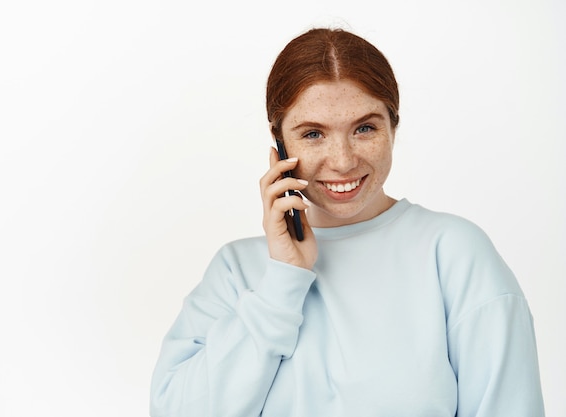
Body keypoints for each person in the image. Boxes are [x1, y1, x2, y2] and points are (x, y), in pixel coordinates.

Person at [150, 28, 544, 417]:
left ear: (393, 127)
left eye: (364, 128)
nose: (342, 160)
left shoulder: (454, 253)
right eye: (313, 134)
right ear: (279, 143)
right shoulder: (236, 271)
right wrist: (282, 282)